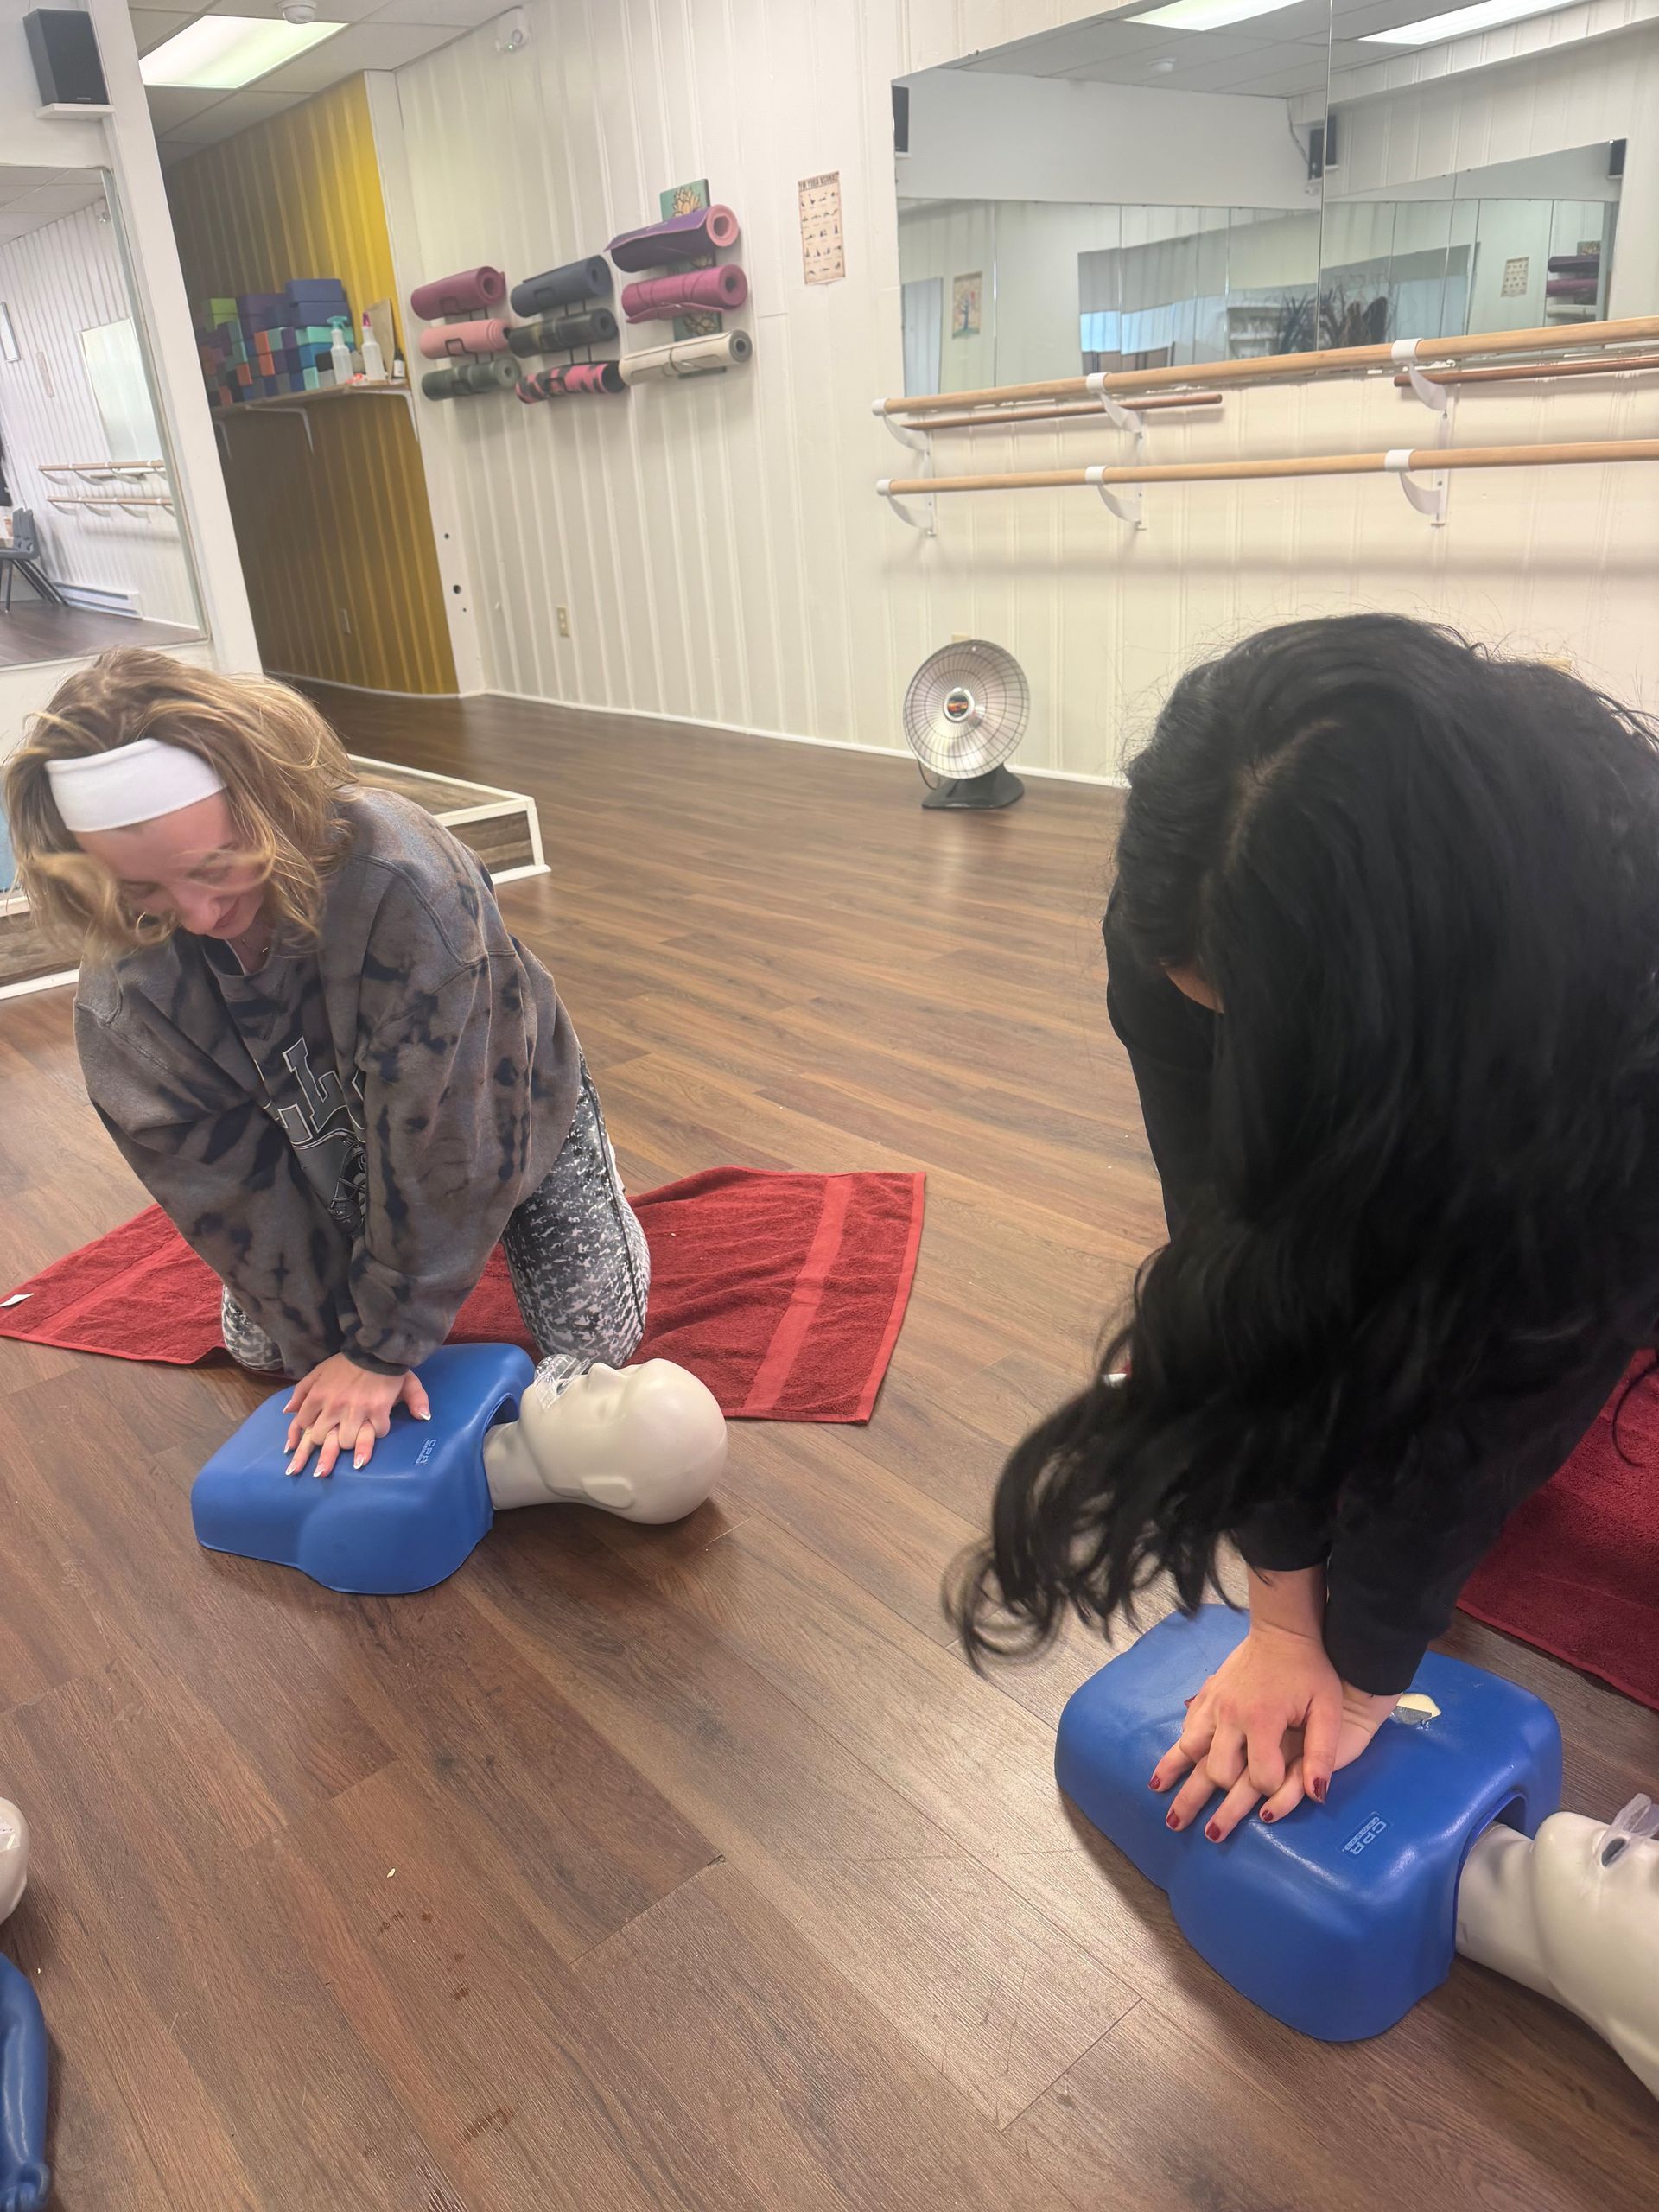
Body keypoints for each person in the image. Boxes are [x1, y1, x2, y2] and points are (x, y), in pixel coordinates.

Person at [952, 614, 1659, 1842]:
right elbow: (1234, 1247)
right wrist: (1285, 1612)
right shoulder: (1180, 909)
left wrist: (1372, 1649)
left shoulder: (1614, 979)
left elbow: (1537, 1329)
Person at [6, 650, 649, 1478]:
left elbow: (452, 1140)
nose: (199, 915)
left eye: (216, 867)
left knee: (596, 1346)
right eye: (147, 894)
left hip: (493, 1098)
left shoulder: (402, 880)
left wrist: (383, 1351)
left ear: (264, 801)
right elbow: (221, 1185)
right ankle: (361, 1262)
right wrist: (327, 1351)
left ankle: (572, 1178)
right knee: (269, 1351)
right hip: (323, 1145)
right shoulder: (125, 1000)